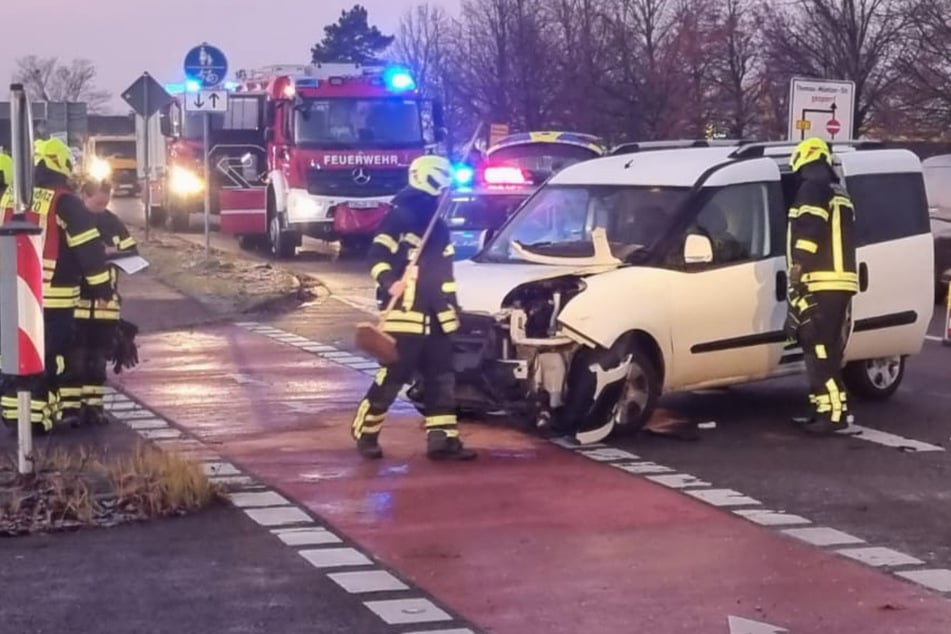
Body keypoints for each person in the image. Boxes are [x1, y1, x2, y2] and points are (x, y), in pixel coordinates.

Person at [351, 155, 477, 461]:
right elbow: (376, 255)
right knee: (394, 375)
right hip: (407, 313)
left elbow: (445, 274)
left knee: (441, 378)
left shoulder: (439, 225)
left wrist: (453, 307)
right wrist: (389, 281)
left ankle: (442, 439)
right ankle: (366, 432)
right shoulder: (401, 215)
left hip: (436, 315)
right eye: (443, 185)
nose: (446, 192)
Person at [0, 138, 112, 433]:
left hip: (12, 294)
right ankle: (37, 417)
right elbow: (88, 248)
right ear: (60, 164)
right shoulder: (65, 201)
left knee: (15, 356)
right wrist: (102, 289)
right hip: (54, 297)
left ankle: (15, 414)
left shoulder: (10, 197)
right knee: (50, 355)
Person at [785, 137, 859, 435]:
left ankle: (834, 414)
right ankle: (824, 409)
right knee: (824, 346)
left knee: (818, 346)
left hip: (821, 279)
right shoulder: (837, 189)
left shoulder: (812, 186)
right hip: (838, 281)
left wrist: (799, 264)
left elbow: (810, 228)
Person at [61, 178, 138, 426]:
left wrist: (114, 254)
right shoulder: (75, 219)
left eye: (106, 203)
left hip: (106, 307)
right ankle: (70, 410)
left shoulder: (112, 222)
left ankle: (94, 407)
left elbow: (132, 250)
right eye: (97, 203)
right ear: (84, 196)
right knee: (74, 359)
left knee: (97, 361)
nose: (102, 208)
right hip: (78, 303)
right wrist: (98, 254)